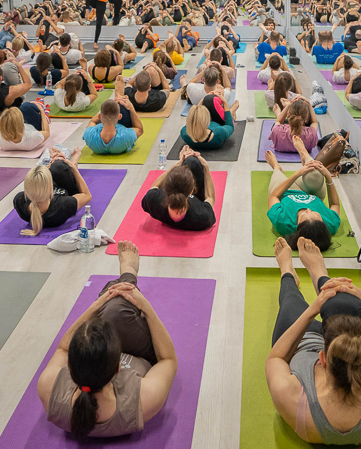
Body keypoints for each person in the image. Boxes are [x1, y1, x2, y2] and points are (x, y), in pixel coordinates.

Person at [266, 235, 361, 444]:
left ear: (322, 359)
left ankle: (287, 272)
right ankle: (319, 275)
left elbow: (276, 357)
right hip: (345, 346)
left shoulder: (292, 397)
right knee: (345, 304)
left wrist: (312, 310)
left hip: (301, 343)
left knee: (291, 300)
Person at [37, 239, 178, 436]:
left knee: (112, 307)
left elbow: (63, 348)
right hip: (143, 354)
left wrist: (97, 304)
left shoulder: (48, 388)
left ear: (69, 364)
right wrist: (146, 307)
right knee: (117, 307)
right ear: (118, 368)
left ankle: (122, 282)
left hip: (102, 354)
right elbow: (168, 359)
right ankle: (128, 275)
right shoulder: (143, 400)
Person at [265, 151, 343, 251]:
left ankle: (276, 167)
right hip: (310, 191)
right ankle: (304, 154)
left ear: (297, 227)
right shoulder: (330, 224)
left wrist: (297, 174)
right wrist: (328, 176)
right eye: (315, 213)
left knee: (277, 175)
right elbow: (335, 204)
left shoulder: (282, 221)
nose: (308, 210)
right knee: (315, 172)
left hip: (283, 191)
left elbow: (273, 196)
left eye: (304, 214)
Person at [15, 148, 93, 236]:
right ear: (51, 186)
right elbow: (87, 195)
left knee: (52, 166)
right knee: (59, 166)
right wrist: (73, 167)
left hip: (45, 187)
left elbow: (36, 183)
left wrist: (48, 166)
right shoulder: (63, 205)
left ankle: (54, 161)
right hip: (67, 189)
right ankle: (73, 161)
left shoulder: (20, 201)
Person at [141, 153, 217, 231]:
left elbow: (155, 186)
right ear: (191, 191)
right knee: (192, 162)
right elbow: (210, 197)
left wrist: (176, 165)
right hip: (194, 209)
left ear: (166, 188)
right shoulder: (202, 216)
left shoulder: (152, 200)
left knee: (189, 162)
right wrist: (206, 167)